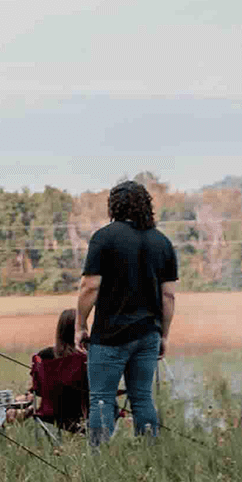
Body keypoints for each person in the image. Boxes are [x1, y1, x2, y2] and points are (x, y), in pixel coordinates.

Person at [75, 180, 178, 446]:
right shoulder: (162, 242)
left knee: (101, 398)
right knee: (142, 397)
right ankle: (148, 455)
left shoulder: (104, 237)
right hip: (148, 335)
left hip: (110, 335)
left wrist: (80, 325)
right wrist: (163, 335)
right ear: (146, 206)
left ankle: (98, 460)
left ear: (114, 206)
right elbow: (168, 295)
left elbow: (90, 286)